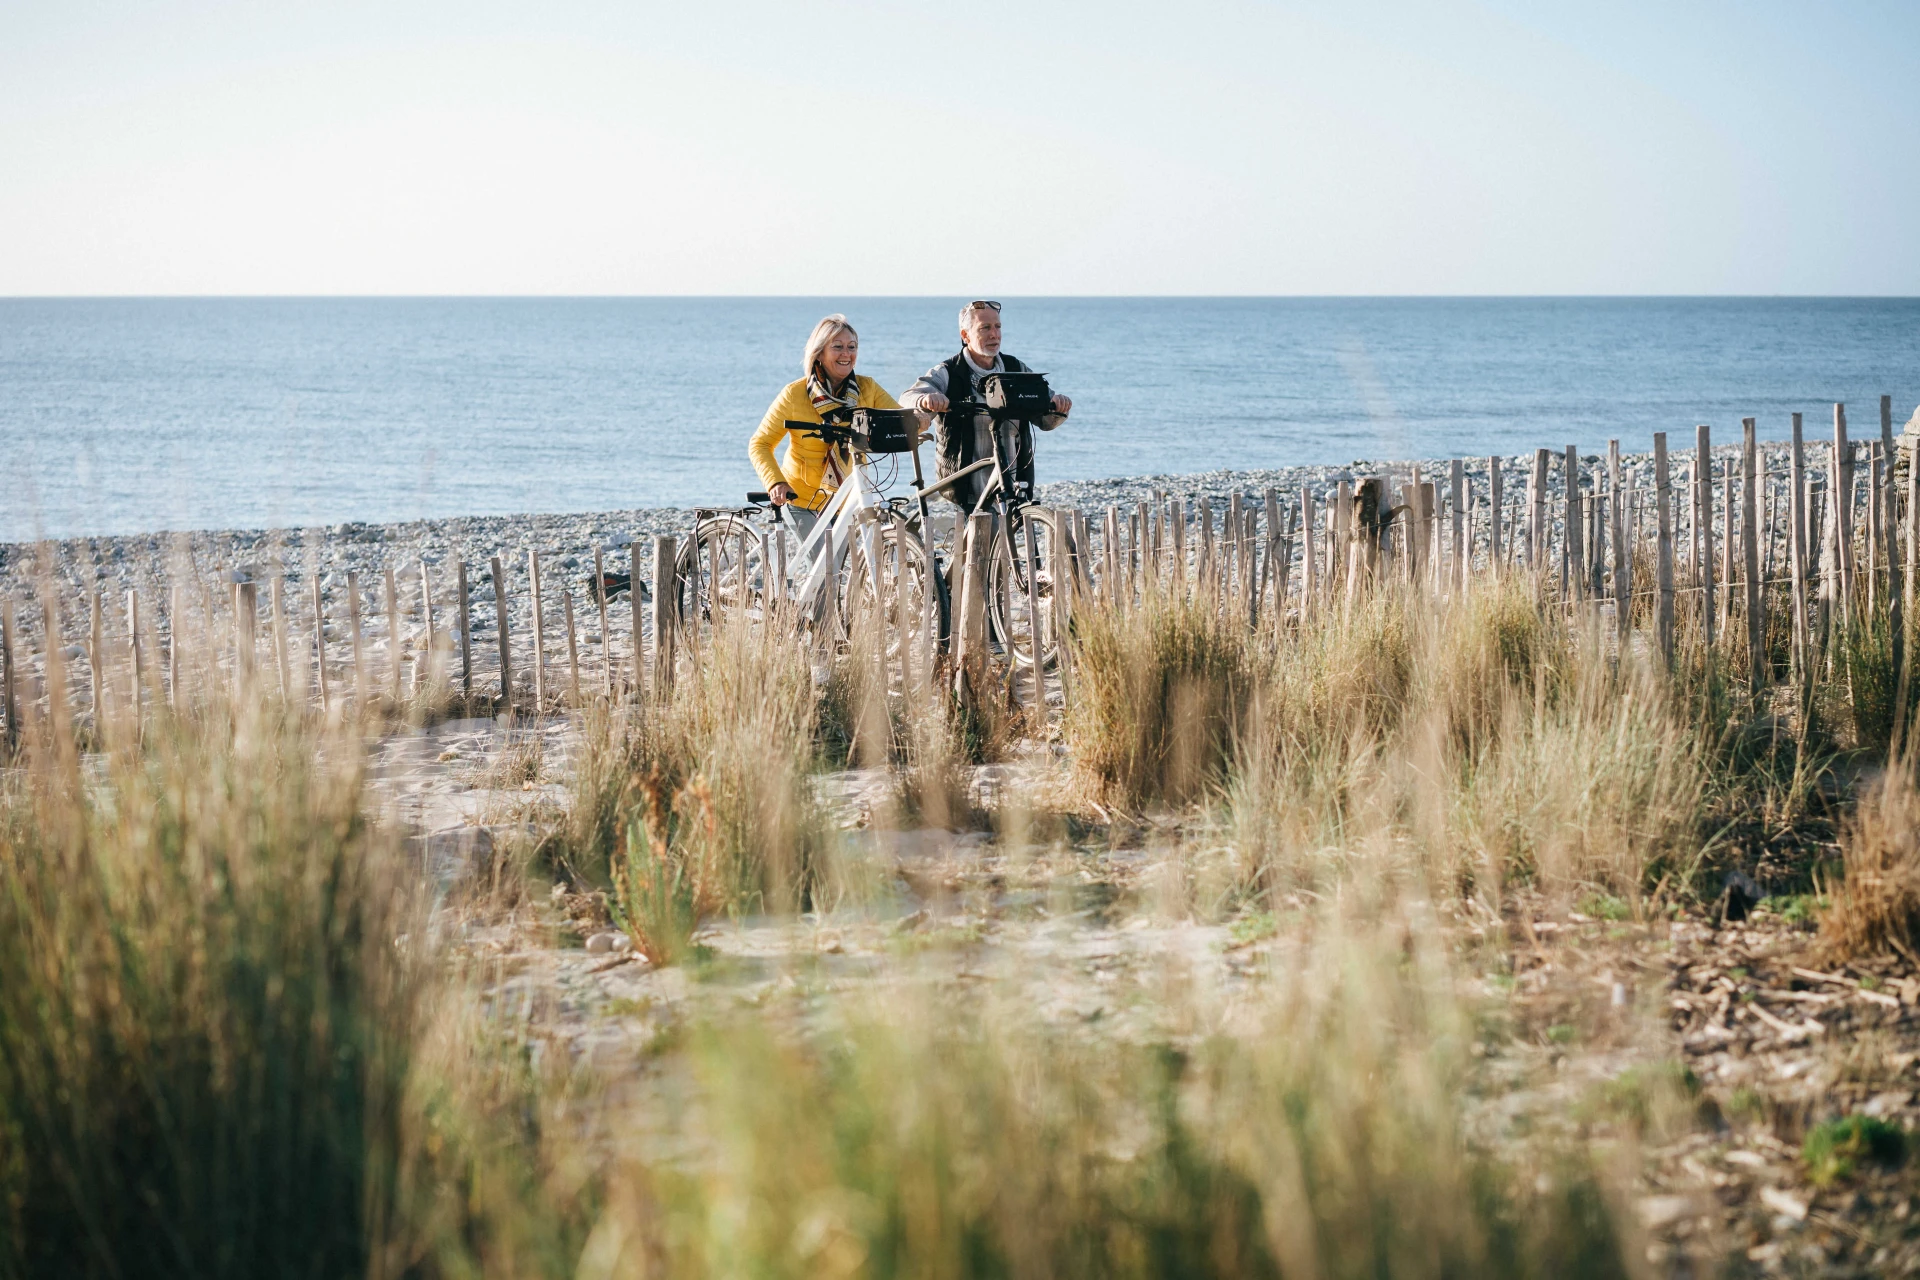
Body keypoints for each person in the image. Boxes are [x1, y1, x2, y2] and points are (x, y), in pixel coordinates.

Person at [898, 301, 1072, 513]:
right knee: (979, 540)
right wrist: (926, 400)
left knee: (1017, 536)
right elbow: (907, 397)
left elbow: (1045, 418)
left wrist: (1058, 408)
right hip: (964, 485)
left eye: (997, 327)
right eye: (985, 328)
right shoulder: (949, 372)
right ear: (965, 335)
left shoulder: (1016, 370)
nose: (994, 334)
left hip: (1013, 481)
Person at [747, 314, 901, 545]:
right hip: (802, 499)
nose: (846, 354)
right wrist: (776, 482)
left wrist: (920, 417)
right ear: (819, 352)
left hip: (848, 499)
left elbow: (898, 418)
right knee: (826, 571)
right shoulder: (794, 394)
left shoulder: (867, 388)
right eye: (837, 347)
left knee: (840, 572)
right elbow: (760, 444)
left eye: (852, 347)